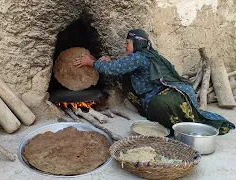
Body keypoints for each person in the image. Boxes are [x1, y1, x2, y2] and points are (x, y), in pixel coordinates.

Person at [73, 29, 235, 135]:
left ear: (137, 43)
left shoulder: (140, 56)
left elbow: (116, 68)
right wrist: (108, 61)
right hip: (178, 89)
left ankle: (177, 128)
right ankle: (184, 121)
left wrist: (91, 62)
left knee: (160, 103)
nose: (124, 45)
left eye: (127, 43)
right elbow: (121, 67)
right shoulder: (148, 55)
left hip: (168, 94)